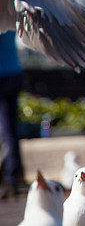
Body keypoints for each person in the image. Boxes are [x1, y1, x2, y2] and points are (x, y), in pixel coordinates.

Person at [0, 31, 24, 199]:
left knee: (5, 130)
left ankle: (7, 177)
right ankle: (12, 176)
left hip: (1, 74)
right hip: (14, 71)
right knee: (11, 129)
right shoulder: (10, 9)